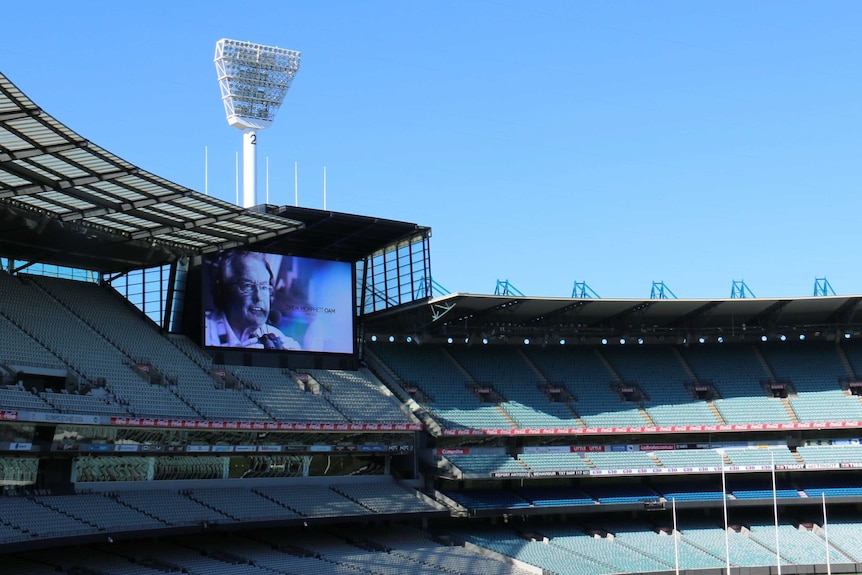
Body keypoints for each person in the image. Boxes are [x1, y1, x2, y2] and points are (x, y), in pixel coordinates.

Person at [205, 251, 301, 350]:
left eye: (264, 287)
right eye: (247, 286)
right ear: (223, 291)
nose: (259, 297)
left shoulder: (277, 337)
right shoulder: (204, 331)